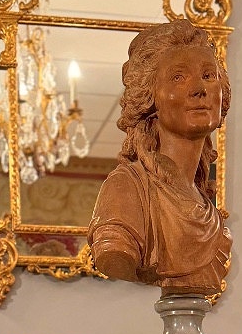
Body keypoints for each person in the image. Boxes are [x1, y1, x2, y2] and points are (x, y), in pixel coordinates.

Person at [87, 20, 232, 297]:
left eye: (208, 76)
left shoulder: (208, 211)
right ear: (150, 98)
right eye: (179, 77)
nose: (199, 89)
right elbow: (113, 258)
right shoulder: (128, 189)